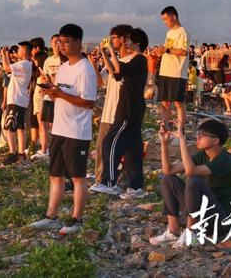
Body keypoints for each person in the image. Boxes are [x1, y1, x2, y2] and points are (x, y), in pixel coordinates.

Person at [29, 23, 97, 235]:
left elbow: (89, 102)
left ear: (78, 42)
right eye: (60, 42)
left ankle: (77, 219)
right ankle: (51, 216)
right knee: (55, 175)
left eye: (67, 42)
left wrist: (60, 95)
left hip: (77, 131)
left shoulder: (85, 69)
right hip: (59, 128)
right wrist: (51, 92)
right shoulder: (64, 67)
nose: (63, 46)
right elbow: (62, 94)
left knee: (77, 177)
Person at [149, 119, 231, 250]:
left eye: (203, 135)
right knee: (168, 179)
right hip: (202, 213)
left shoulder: (225, 160)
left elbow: (191, 171)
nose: (198, 137)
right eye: (198, 133)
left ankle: (191, 233)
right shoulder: (203, 155)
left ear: (215, 141)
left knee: (194, 180)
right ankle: (173, 232)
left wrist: (182, 141)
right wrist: (164, 143)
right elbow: (168, 170)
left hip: (220, 221)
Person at [91, 28, 148, 199]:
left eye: (129, 40)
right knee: (133, 149)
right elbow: (115, 72)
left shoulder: (139, 59)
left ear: (137, 43)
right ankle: (136, 187)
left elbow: (120, 68)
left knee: (109, 142)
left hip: (129, 108)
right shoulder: (135, 61)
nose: (126, 43)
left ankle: (109, 182)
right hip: (131, 108)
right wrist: (104, 52)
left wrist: (110, 50)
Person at [89, 24, 133, 187]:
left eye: (114, 37)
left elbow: (118, 71)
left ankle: (112, 180)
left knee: (117, 149)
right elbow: (101, 83)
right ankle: (100, 179)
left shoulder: (131, 61)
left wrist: (108, 54)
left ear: (123, 39)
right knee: (102, 146)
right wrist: (95, 64)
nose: (111, 41)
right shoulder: (113, 61)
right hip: (108, 111)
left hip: (121, 113)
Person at [0, 41, 33, 165]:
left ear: (24, 51)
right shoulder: (26, 64)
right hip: (20, 99)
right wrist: (7, 57)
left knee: (10, 127)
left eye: (19, 49)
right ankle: (21, 153)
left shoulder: (24, 64)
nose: (17, 51)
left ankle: (12, 153)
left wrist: (4, 55)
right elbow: (10, 71)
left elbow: (7, 68)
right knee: (19, 127)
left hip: (16, 99)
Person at [157, 6, 189, 131]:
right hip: (165, 70)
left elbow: (184, 51)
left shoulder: (183, 32)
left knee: (178, 103)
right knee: (164, 102)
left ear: (173, 17)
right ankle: (167, 128)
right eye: (163, 20)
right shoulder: (169, 33)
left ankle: (181, 130)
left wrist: (167, 50)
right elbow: (168, 49)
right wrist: (161, 51)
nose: (165, 22)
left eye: (166, 19)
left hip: (177, 72)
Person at [36, 34, 63, 159]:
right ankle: (44, 149)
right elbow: (45, 76)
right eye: (55, 42)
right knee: (44, 123)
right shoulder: (49, 60)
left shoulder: (65, 60)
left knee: (57, 126)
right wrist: (45, 81)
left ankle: (57, 149)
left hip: (61, 96)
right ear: (51, 44)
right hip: (48, 95)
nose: (57, 44)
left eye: (59, 42)